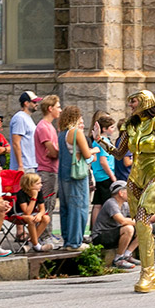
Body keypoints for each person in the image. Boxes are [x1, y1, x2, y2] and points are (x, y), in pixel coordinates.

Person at [110, 90, 155, 293]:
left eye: (134, 101)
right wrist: (101, 141)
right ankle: (147, 272)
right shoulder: (130, 125)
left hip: (154, 175)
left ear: (145, 102)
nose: (130, 105)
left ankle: (148, 273)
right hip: (134, 178)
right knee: (140, 223)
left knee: (144, 220)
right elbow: (119, 154)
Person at [57, 106, 97, 250]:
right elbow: (87, 156)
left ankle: (68, 240)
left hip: (63, 175)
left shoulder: (61, 134)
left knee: (66, 208)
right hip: (77, 175)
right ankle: (75, 242)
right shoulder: (76, 132)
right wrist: (95, 150)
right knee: (79, 208)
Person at [91, 180, 138, 269]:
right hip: (101, 236)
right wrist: (139, 222)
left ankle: (127, 255)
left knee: (145, 227)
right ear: (120, 193)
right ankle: (118, 259)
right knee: (128, 228)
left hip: (114, 234)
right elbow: (122, 221)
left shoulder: (125, 204)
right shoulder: (111, 203)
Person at [34, 96, 62, 212]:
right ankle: (44, 231)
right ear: (50, 108)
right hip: (47, 171)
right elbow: (53, 153)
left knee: (50, 206)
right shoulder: (43, 127)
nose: (60, 110)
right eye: (58, 107)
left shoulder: (50, 126)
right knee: (46, 207)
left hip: (52, 170)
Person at [14, 173, 53, 252]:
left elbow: (42, 209)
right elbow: (27, 212)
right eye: (38, 183)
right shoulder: (21, 193)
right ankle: (37, 246)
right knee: (31, 218)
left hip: (31, 213)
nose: (41, 185)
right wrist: (34, 197)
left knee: (46, 218)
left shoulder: (39, 192)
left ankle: (30, 243)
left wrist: (39, 214)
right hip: (18, 213)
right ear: (29, 185)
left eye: (41, 183)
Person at [10, 92, 41, 173]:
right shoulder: (20, 118)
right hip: (25, 167)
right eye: (34, 102)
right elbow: (16, 143)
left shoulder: (27, 118)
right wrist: (20, 166)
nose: (37, 104)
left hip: (31, 165)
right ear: (26, 103)